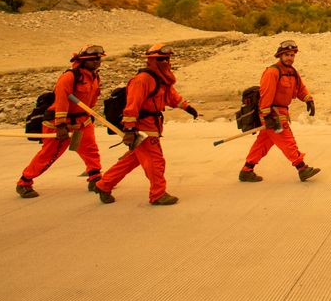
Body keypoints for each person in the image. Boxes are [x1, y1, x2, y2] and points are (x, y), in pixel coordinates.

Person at [93, 44, 199, 205]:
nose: (165, 62)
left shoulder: (161, 79)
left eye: (166, 59)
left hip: (153, 125)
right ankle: (158, 194)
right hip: (143, 127)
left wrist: (187, 107)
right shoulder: (142, 80)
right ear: (151, 61)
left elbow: (171, 96)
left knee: (133, 160)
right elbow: (132, 106)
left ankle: (104, 184)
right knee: (156, 161)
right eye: (161, 59)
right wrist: (129, 129)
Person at [16, 45, 107, 198]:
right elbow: (61, 101)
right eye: (93, 59)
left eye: (98, 59)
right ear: (83, 61)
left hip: (82, 120)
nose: (97, 62)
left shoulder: (94, 77)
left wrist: (89, 115)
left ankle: (95, 177)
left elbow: (92, 98)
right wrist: (61, 125)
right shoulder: (70, 77)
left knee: (90, 149)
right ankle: (24, 182)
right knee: (49, 154)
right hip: (59, 122)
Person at [238, 40, 320, 183]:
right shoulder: (272, 72)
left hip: (281, 112)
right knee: (287, 141)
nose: (290, 58)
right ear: (280, 56)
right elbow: (266, 94)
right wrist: (267, 115)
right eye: (287, 55)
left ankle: (246, 170)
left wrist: (308, 99)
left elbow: (300, 88)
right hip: (272, 113)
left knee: (263, 143)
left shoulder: (292, 72)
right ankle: (302, 168)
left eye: (292, 55)